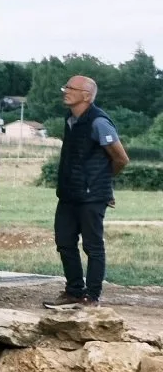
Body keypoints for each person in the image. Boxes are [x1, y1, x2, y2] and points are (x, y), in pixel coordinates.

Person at [45, 77, 129, 307]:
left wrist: (101, 183)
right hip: (69, 195)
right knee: (64, 242)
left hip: (92, 197)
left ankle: (92, 297)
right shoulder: (70, 119)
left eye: (71, 88)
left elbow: (121, 158)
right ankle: (74, 291)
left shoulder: (99, 123)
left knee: (92, 246)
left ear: (87, 95)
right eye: (66, 87)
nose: (65, 91)